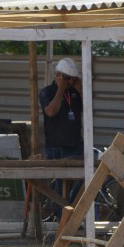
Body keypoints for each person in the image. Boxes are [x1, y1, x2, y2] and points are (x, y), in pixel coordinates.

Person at [40, 57, 85, 213]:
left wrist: (78, 86)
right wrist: (61, 88)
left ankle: (72, 210)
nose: (68, 82)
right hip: (57, 147)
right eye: (65, 77)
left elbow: (89, 105)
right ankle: (63, 223)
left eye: (70, 78)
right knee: (60, 191)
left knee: (89, 175)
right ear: (57, 75)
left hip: (76, 145)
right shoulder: (47, 92)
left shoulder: (74, 92)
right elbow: (51, 111)